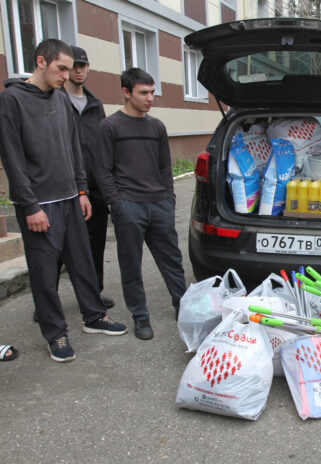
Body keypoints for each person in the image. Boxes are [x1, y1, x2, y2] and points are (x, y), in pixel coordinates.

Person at [0, 39, 127, 363]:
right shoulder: (12, 100)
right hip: (39, 205)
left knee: (83, 262)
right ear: (41, 61)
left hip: (71, 198)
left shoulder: (61, 98)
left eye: (69, 70)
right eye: (61, 69)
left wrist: (82, 191)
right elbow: (12, 157)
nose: (66, 76)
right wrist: (30, 206)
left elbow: (74, 148)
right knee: (44, 273)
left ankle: (94, 316)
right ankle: (55, 334)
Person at [96, 67, 186, 340]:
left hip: (159, 204)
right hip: (129, 207)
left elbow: (165, 166)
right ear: (126, 92)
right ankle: (140, 316)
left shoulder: (156, 126)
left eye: (152, 93)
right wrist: (117, 204)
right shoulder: (110, 126)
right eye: (143, 93)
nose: (150, 98)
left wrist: (168, 198)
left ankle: (183, 307)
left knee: (172, 260)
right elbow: (102, 170)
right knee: (131, 266)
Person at [62, 46, 114, 307]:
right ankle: (48, 300)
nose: (78, 70)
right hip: (63, 188)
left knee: (95, 244)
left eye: (82, 65)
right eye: (74, 66)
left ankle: (94, 293)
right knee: (58, 248)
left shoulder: (95, 105)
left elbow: (103, 146)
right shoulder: (56, 101)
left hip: (94, 188)